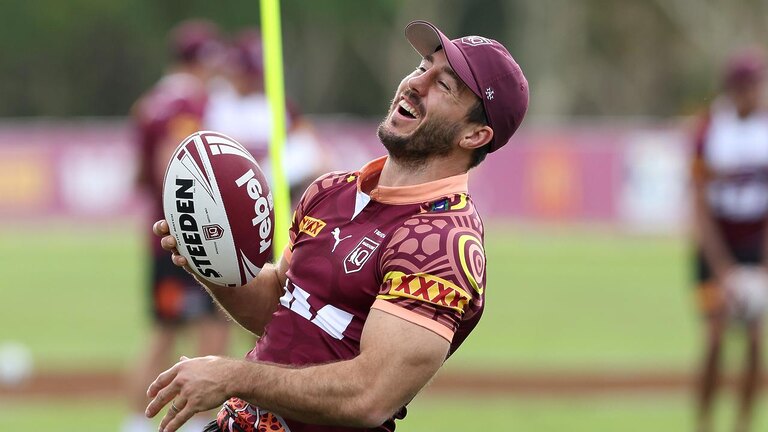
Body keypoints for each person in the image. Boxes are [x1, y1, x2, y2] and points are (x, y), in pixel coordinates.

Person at [145, 20, 528, 432]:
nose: (417, 84)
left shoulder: (441, 242)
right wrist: (208, 258)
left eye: (445, 85)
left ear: (475, 135)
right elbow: (279, 311)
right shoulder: (332, 191)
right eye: (422, 67)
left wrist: (232, 376)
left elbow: (369, 396)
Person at [123, 20, 233, 432]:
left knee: (163, 333)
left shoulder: (150, 101)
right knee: (212, 331)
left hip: (157, 234)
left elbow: (139, 174)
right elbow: (175, 162)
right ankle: (198, 423)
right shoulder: (187, 104)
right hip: (185, 238)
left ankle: (134, 422)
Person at [691, 49, 768, 432]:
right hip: (716, 246)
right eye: (747, 86)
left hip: (755, 243)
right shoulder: (709, 132)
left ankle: (744, 425)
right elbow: (699, 204)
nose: (753, 93)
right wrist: (722, 269)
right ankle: (704, 423)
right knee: (715, 338)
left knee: (755, 341)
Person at [204, 29, 328, 204]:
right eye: (249, 76)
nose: (256, 82)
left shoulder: (279, 103)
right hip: (225, 193)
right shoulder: (213, 100)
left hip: (275, 193)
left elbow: (316, 155)